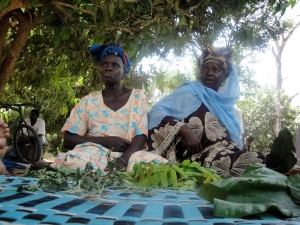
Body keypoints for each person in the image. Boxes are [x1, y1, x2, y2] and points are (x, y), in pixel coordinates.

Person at [31, 43, 167, 173]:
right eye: (104, 64)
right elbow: (68, 139)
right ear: (99, 70)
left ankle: (59, 167)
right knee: (78, 162)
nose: (108, 68)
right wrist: (105, 141)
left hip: (130, 155)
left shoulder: (137, 97)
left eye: (115, 65)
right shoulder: (89, 101)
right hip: (93, 153)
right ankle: (63, 166)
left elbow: (140, 136)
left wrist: (123, 161)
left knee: (158, 167)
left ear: (124, 72)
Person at [147, 47, 266, 178]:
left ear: (224, 77)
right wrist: (184, 129)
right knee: (248, 164)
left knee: (258, 160)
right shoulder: (189, 92)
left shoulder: (226, 107)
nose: (209, 73)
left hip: (227, 152)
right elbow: (156, 112)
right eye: (206, 69)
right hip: (198, 158)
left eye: (216, 70)